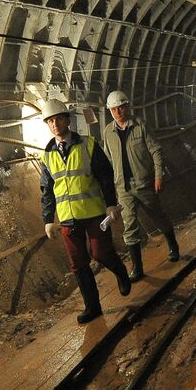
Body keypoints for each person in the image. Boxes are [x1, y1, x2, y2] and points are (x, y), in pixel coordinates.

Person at [37, 98, 131, 323]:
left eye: (58, 118)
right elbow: (47, 190)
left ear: (67, 119)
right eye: (50, 121)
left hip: (94, 213)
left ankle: (120, 272)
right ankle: (93, 308)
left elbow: (105, 176)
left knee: (101, 254)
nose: (54, 124)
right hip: (68, 219)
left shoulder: (88, 145)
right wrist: (48, 218)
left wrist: (110, 203)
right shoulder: (47, 155)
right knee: (78, 264)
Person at [101, 90, 179, 282]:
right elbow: (108, 162)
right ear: (110, 111)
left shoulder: (140, 126)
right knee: (130, 226)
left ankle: (173, 246)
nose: (117, 112)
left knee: (158, 216)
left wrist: (158, 175)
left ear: (127, 107)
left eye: (121, 107)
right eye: (113, 109)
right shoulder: (108, 133)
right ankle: (137, 268)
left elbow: (156, 150)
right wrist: (110, 190)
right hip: (123, 188)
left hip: (144, 184)